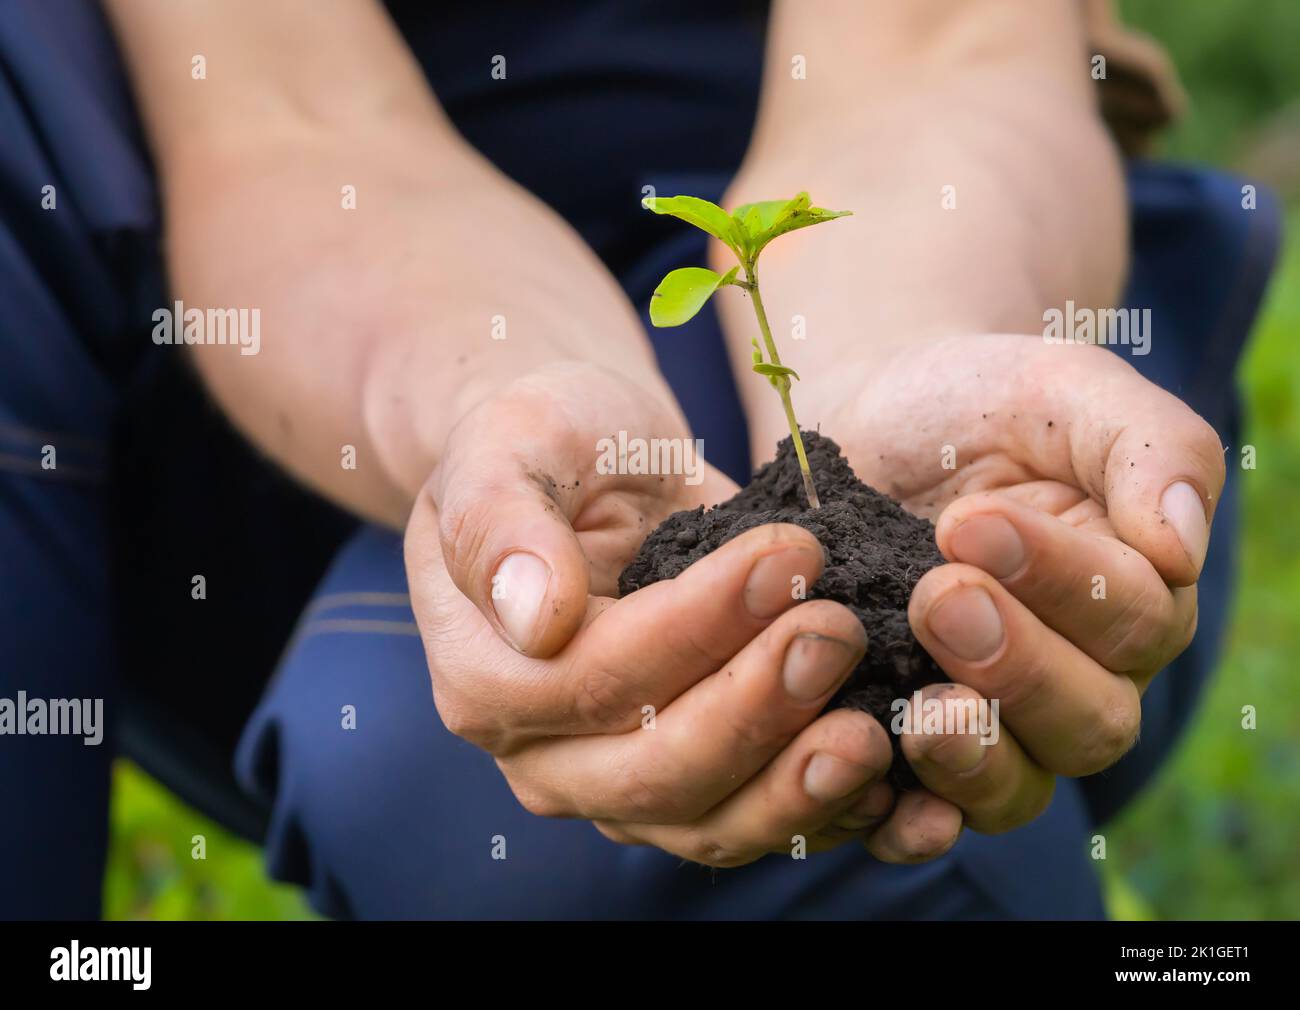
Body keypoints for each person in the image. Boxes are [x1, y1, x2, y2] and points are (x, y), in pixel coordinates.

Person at [0, 0, 1278, 919]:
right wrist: (495, 410)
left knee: (746, 761)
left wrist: (914, 351)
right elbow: (297, 125)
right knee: (499, 766)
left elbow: (938, 44)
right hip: (362, 345)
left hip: (960, 249)